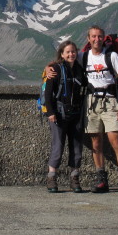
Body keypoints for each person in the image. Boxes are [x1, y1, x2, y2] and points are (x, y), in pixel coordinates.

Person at [46, 26, 118, 196]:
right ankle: (101, 179)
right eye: (93, 36)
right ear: (88, 38)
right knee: (96, 142)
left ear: (103, 38)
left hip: (110, 102)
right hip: (91, 102)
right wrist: (48, 68)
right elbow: (62, 60)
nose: (97, 39)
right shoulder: (82, 56)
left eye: (100, 36)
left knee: (116, 141)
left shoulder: (112, 56)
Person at [43, 40, 87, 193]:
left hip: (76, 114)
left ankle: (74, 178)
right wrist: (50, 113)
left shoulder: (80, 70)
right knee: (58, 146)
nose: (71, 54)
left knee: (76, 147)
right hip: (59, 115)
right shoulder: (55, 69)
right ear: (62, 54)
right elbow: (48, 93)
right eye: (67, 52)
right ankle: (51, 177)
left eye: (73, 51)